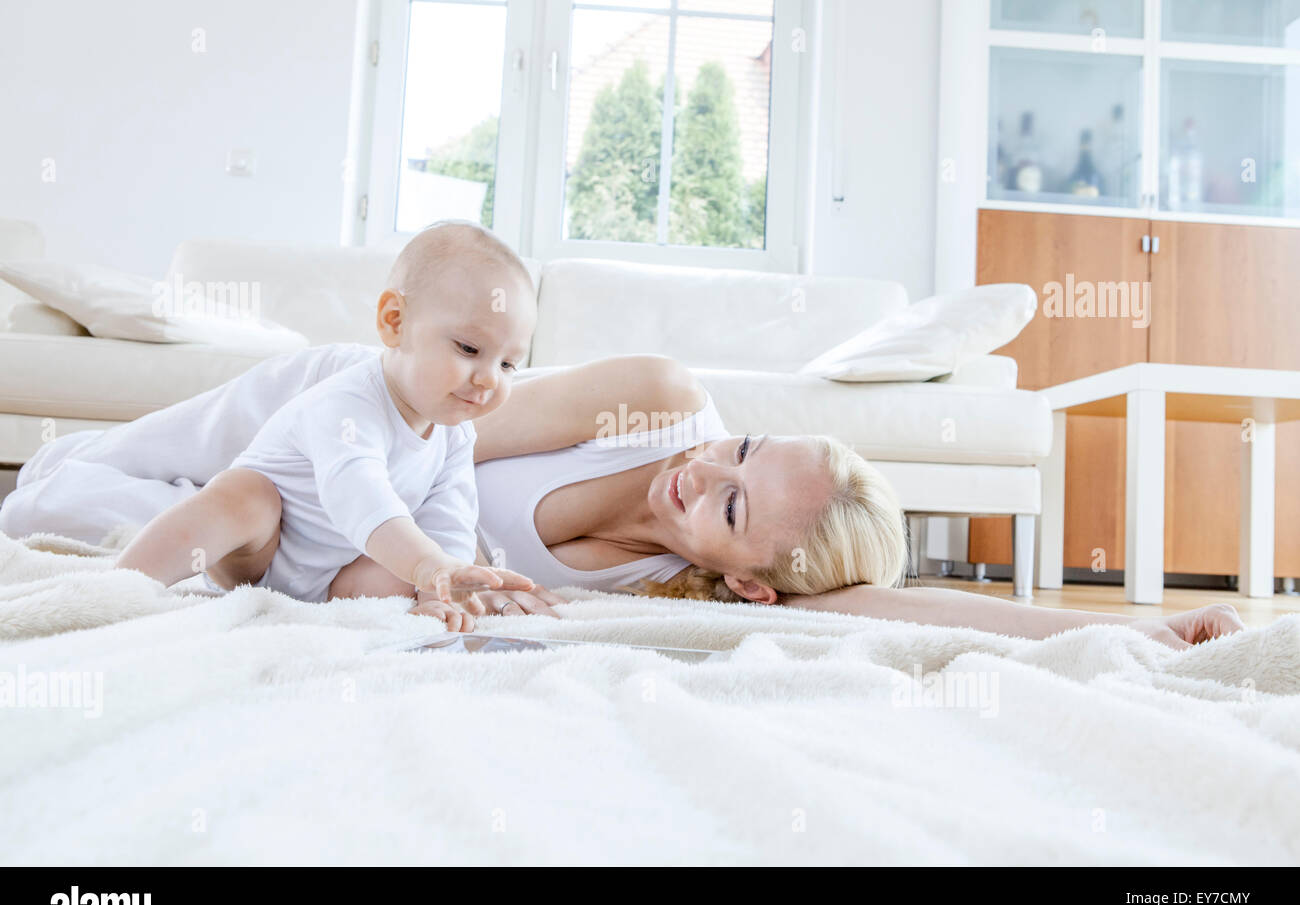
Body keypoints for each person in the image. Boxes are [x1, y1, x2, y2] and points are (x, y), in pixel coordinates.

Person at [0, 334, 1242, 652]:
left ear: (746, 574)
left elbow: (918, 609)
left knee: (87, 521)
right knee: (88, 483)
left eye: (734, 502)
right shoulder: (652, 398)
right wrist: (396, 551)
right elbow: (434, 424)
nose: (706, 468)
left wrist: (1123, 625)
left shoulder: (706, 590)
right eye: (744, 446)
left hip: (321, 542)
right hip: (339, 423)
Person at [114, 221, 538, 630]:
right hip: (260, 552)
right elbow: (358, 493)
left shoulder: (456, 434)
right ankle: (125, 582)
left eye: (506, 364)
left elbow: (450, 517)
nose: (488, 379)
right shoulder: (349, 403)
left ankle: (388, 609)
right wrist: (426, 563)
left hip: (339, 576)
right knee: (245, 496)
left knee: (412, 572)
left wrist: (440, 587)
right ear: (395, 322)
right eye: (469, 348)